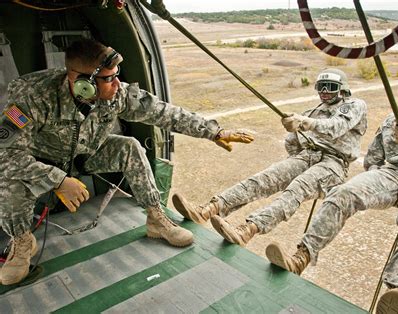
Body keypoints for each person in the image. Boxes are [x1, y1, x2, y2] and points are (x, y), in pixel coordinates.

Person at [0, 38, 254, 285]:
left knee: (130, 147)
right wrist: (57, 180)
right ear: (81, 83)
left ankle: (156, 219)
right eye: (109, 78)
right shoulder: (32, 96)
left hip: (86, 155)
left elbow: (160, 111)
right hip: (39, 162)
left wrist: (213, 131)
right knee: (8, 181)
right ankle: (22, 241)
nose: (117, 83)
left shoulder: (115, 93)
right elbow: (5, 154)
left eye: (116, 75)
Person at [265, 59, 398, 314]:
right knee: (342, 193)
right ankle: (301, 257)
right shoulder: (391, 120)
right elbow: (374, 155)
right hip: (392, 172)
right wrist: (376, 182)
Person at [172, 68, 367, 247]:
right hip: (307, 155)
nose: (324, 91)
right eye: (321, 87)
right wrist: (295, 158)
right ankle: (208, 209)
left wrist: (304, 123)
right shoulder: (313, 112)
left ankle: (247, 230)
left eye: (330, 87)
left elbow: (337, 127)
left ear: (343, 89)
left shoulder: (354, 105)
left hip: (333, 163)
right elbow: (292, 140)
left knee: (296, 189)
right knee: (265, 178)